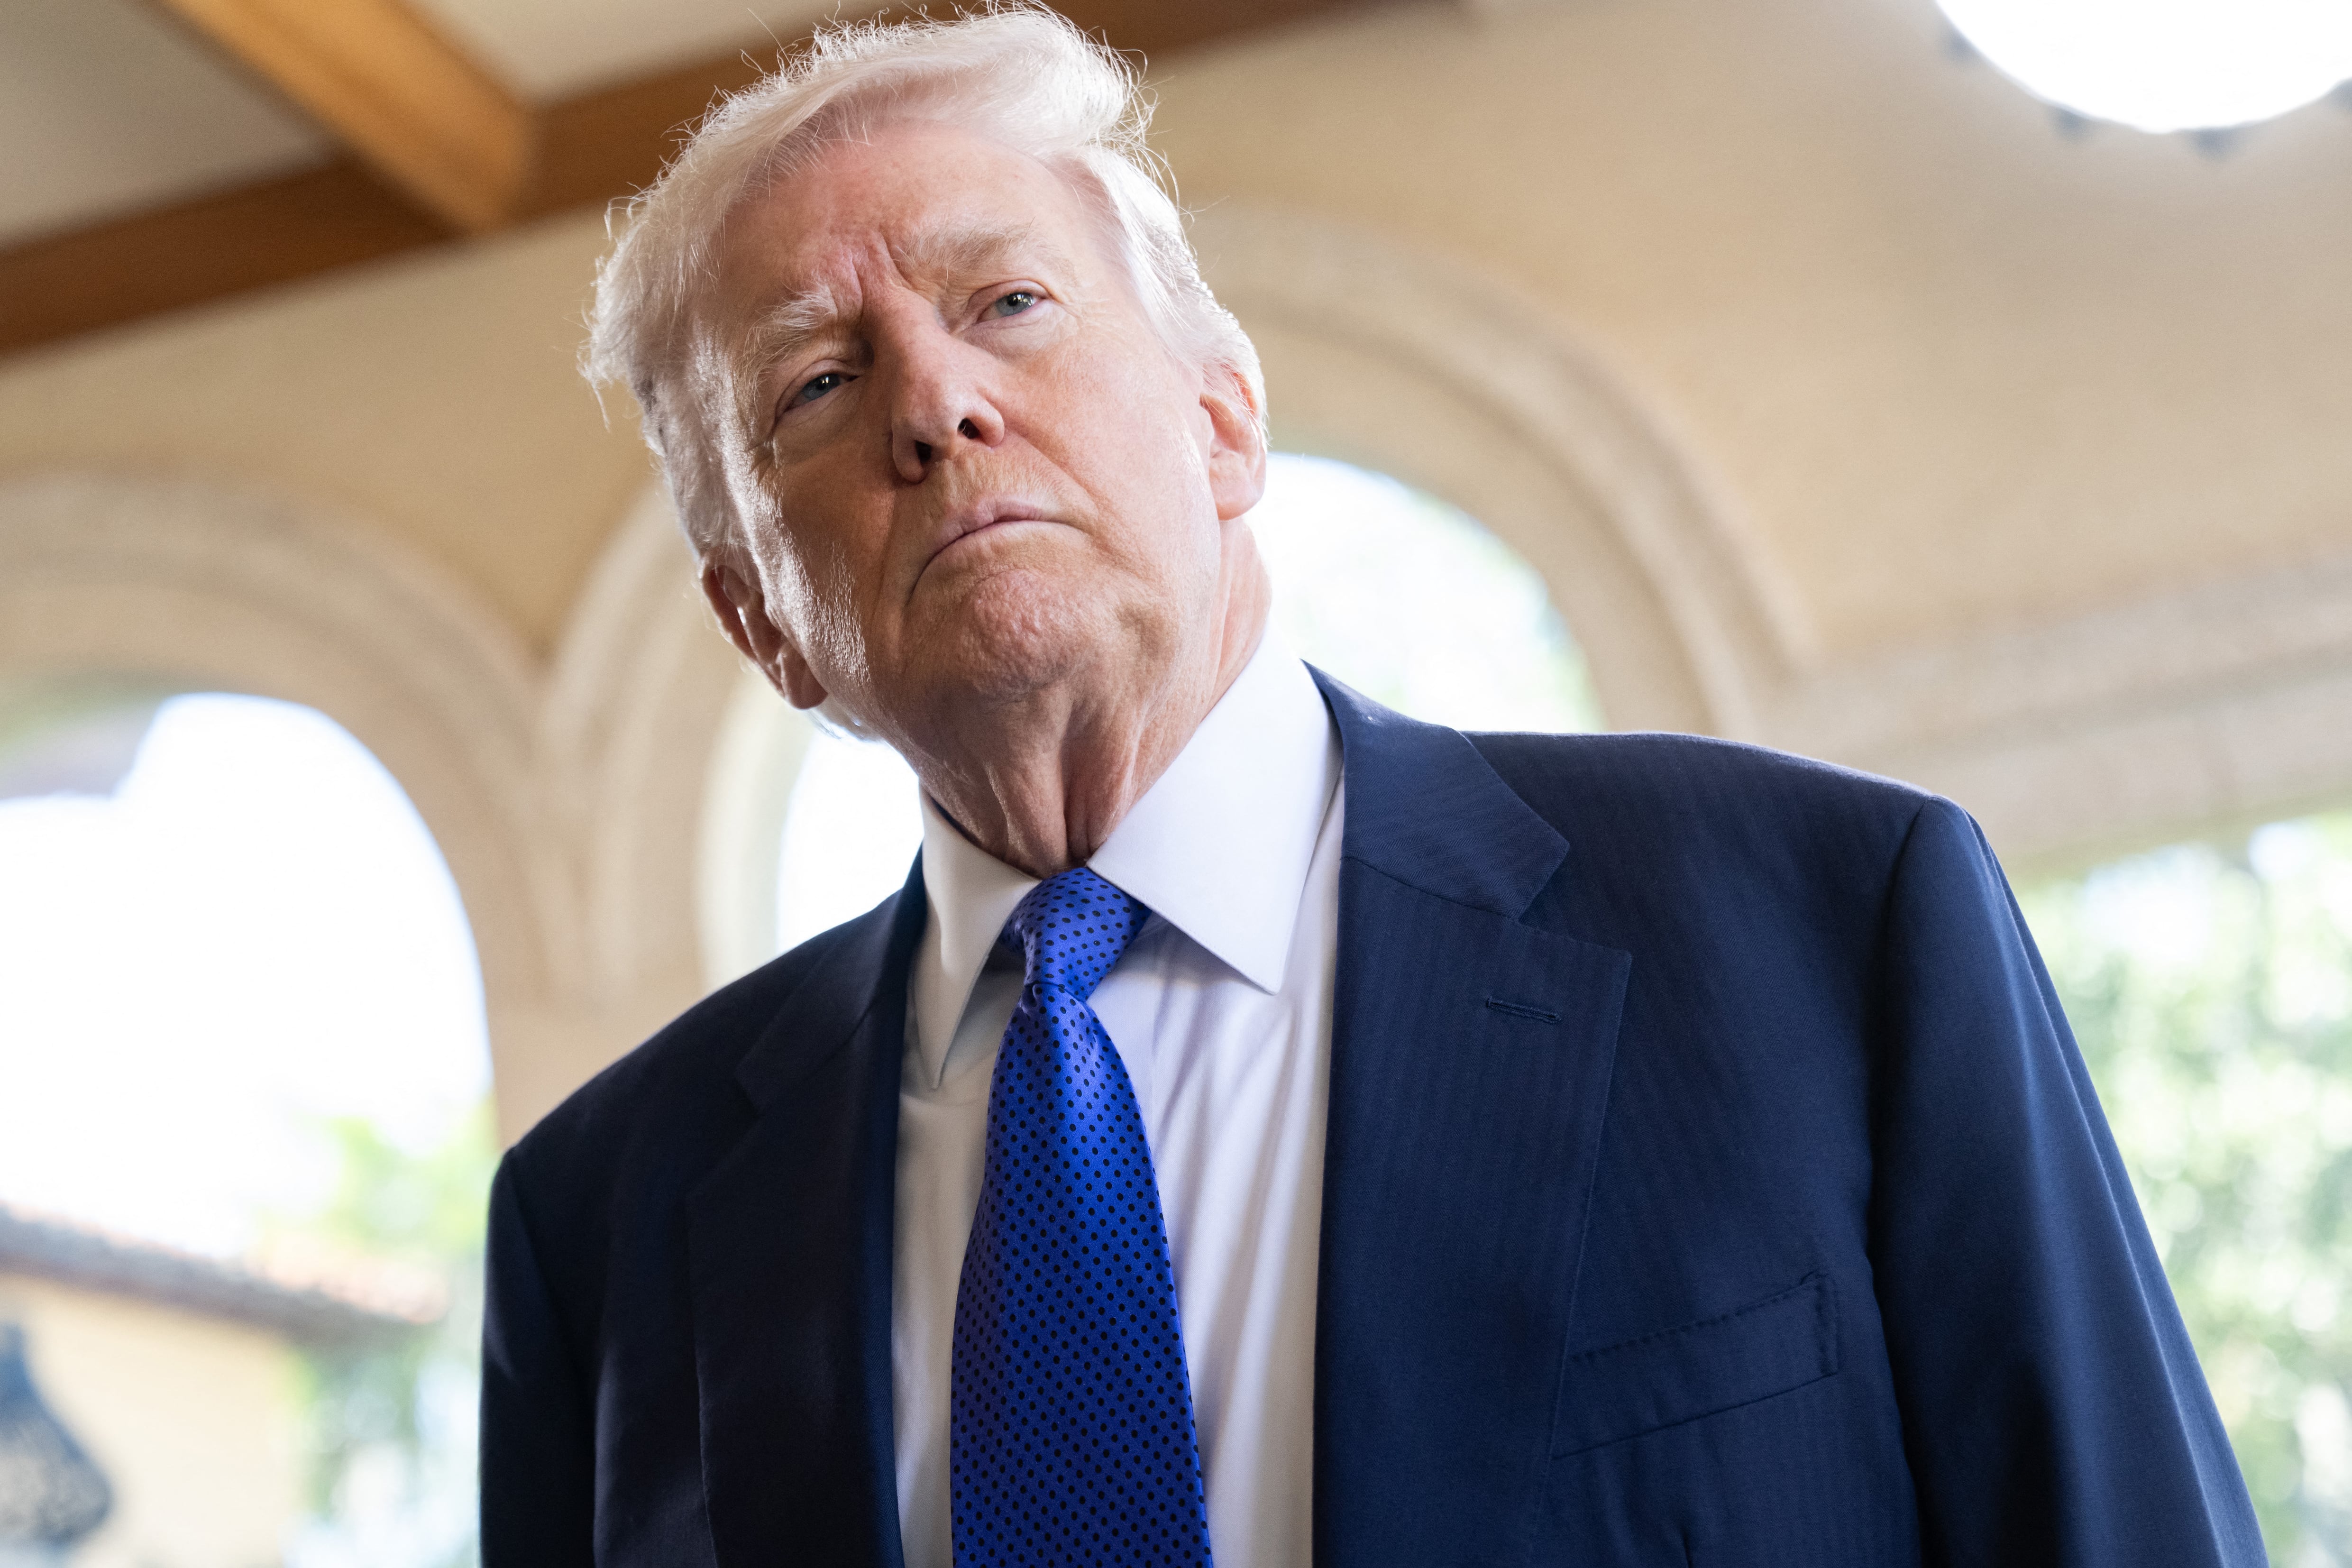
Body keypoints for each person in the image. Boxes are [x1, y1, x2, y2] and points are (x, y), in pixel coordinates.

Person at [480, 8, 2262, 1565]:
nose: (934, 404)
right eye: (814, 382)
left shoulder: (1824, 922)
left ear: (1225, 415)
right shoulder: (601, 1224)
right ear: (759, 620)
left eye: (1008, 301)